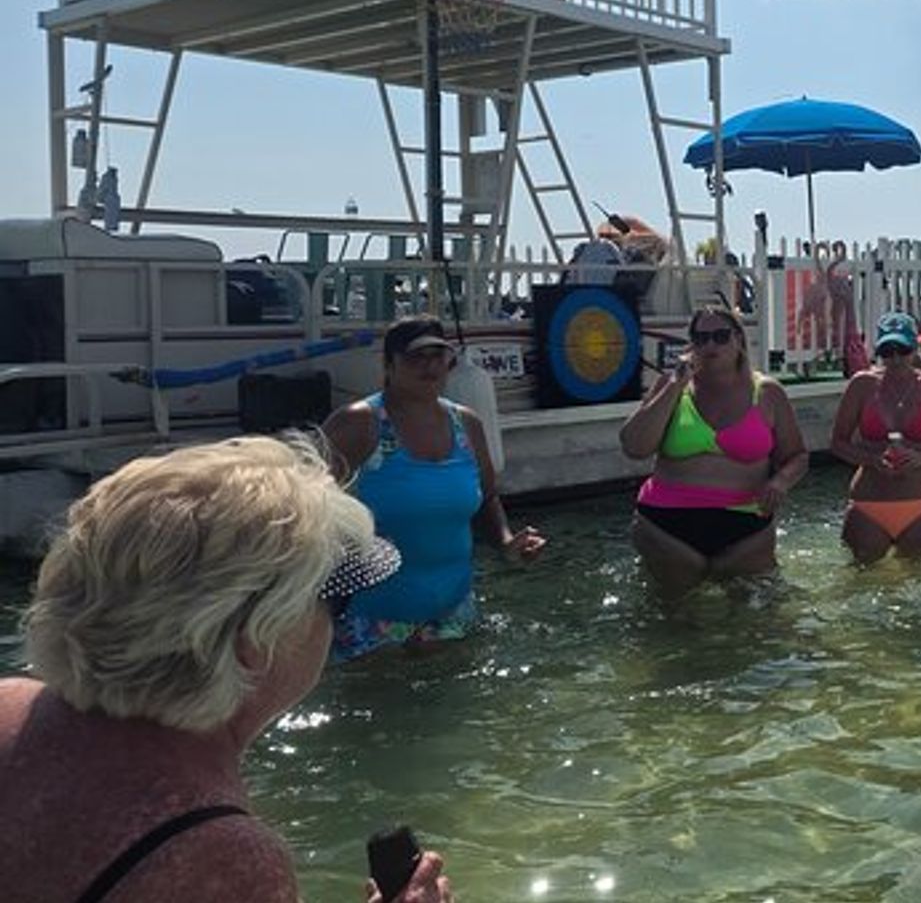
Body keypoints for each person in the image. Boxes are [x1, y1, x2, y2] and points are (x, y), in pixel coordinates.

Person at [1, 436, 455, 903]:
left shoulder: (7, 706)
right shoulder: (221, 856)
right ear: (253, 640)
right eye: (335, 600)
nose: (343, 618)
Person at [321, 316, 545, 661]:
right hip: (369, 622)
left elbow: (487, 497)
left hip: (453, 616)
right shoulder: (359, 423)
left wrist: (505, 542)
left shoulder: (466, 424)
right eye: (415, 357)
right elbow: (305, 507)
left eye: (437, 356)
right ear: (389, 364)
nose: (429, 366)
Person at [621, 305, 808, 597]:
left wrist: (780, 481)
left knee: (758, 625)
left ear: (738, 340)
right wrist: (674, 386)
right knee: (675, 623)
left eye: (720, 336)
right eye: (701, 338)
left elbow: (797, 456)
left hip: (746, 527)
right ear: (691, 345)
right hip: (666, 526)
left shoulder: (768, 393)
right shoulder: (672, 387)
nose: (710, 345)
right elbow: (634, 447)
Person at [831, 313, 921, 562]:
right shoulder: (862, 384)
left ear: (915, 348)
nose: (894, 358)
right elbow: (838, 443)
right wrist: (871, 459)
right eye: (887, 351)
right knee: (859, 589)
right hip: (868, 504)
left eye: (902, 350)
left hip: (920, 503)